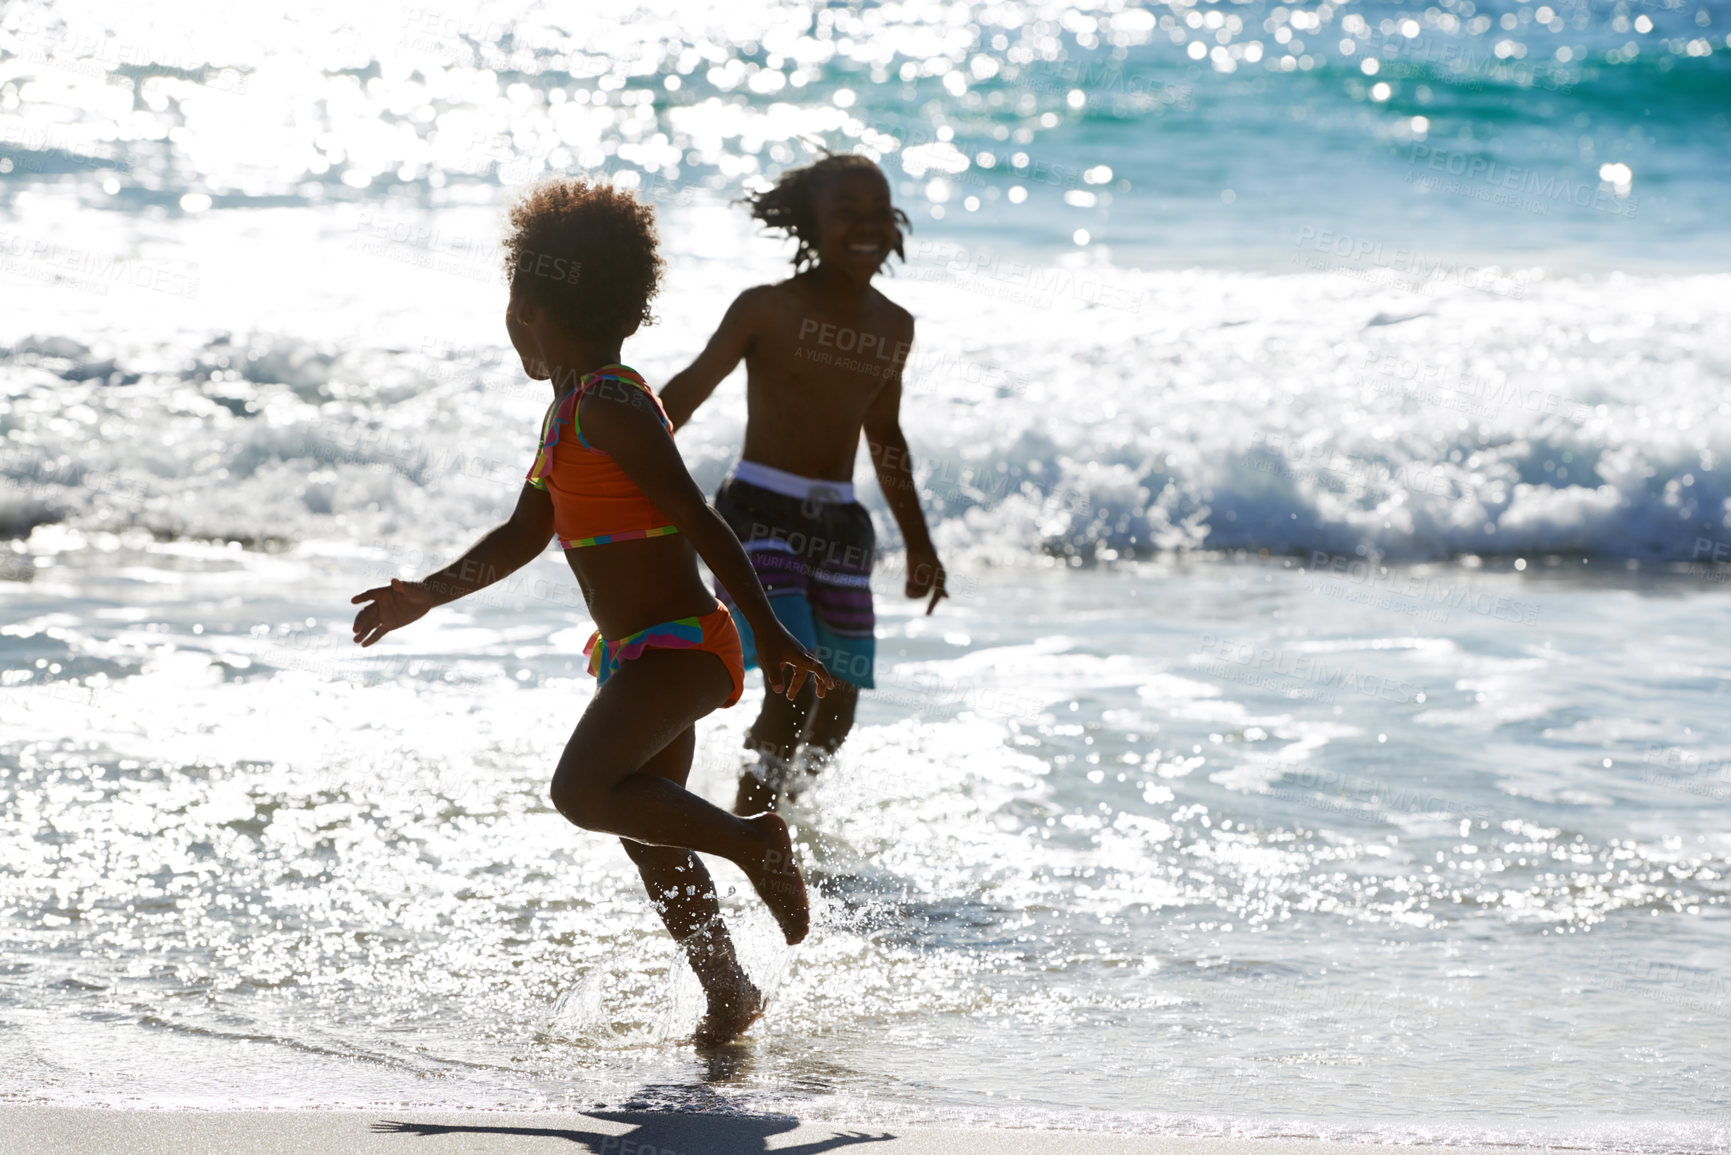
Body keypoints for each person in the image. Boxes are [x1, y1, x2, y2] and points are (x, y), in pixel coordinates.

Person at [348, 178, 832, 1047]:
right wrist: (428, 591)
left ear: (527, 307)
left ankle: (754, 841)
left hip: (681, 650)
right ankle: (729, 990)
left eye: (511, 305)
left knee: (582, 790)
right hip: (636, 653)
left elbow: (698, 516)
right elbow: (525, 531)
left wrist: (768, 629)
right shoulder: (566, 412)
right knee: (646, 830)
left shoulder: (610, 405)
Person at [660, 154, 946, 815]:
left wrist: (920, 545)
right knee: (794, 685)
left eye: (878, 211)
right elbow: (686, 393)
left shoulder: (892, 325)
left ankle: (777, 810)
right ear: (810, 226)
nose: (866, 226)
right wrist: (617, 456)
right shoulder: (766, 308)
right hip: (755, 517)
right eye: (845, 213)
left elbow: (885, 436)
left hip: (841, 528)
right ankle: (745, 828)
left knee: (838, 705)